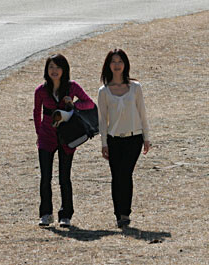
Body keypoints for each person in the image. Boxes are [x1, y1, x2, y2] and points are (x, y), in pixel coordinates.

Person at [33, 53, 95, 227]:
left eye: (58, 67)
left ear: (64, 70)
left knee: (64, 176)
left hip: (67, 138)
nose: (54, 70)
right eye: (51, 67)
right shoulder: (41, 90)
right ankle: (45, 214)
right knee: (45, 177)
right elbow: (36, 112)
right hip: (46, 138)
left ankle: (65, 215)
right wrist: (39, 133)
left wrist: (73, 104)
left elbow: (89, 103)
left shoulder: (72, 87)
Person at [98, 48, 151, 228]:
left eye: (120, 61)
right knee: (116, 176)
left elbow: (142, 112)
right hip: (114, 139)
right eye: (113, 62)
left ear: (125, 64)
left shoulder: (135, 87)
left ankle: (125, 213)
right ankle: (118, 213)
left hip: (133, 138)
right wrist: (104, 143)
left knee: (126, 174)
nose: (117, 65)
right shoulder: (104, 91)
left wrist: (146, 137)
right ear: (108, 65)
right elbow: (102, 120)